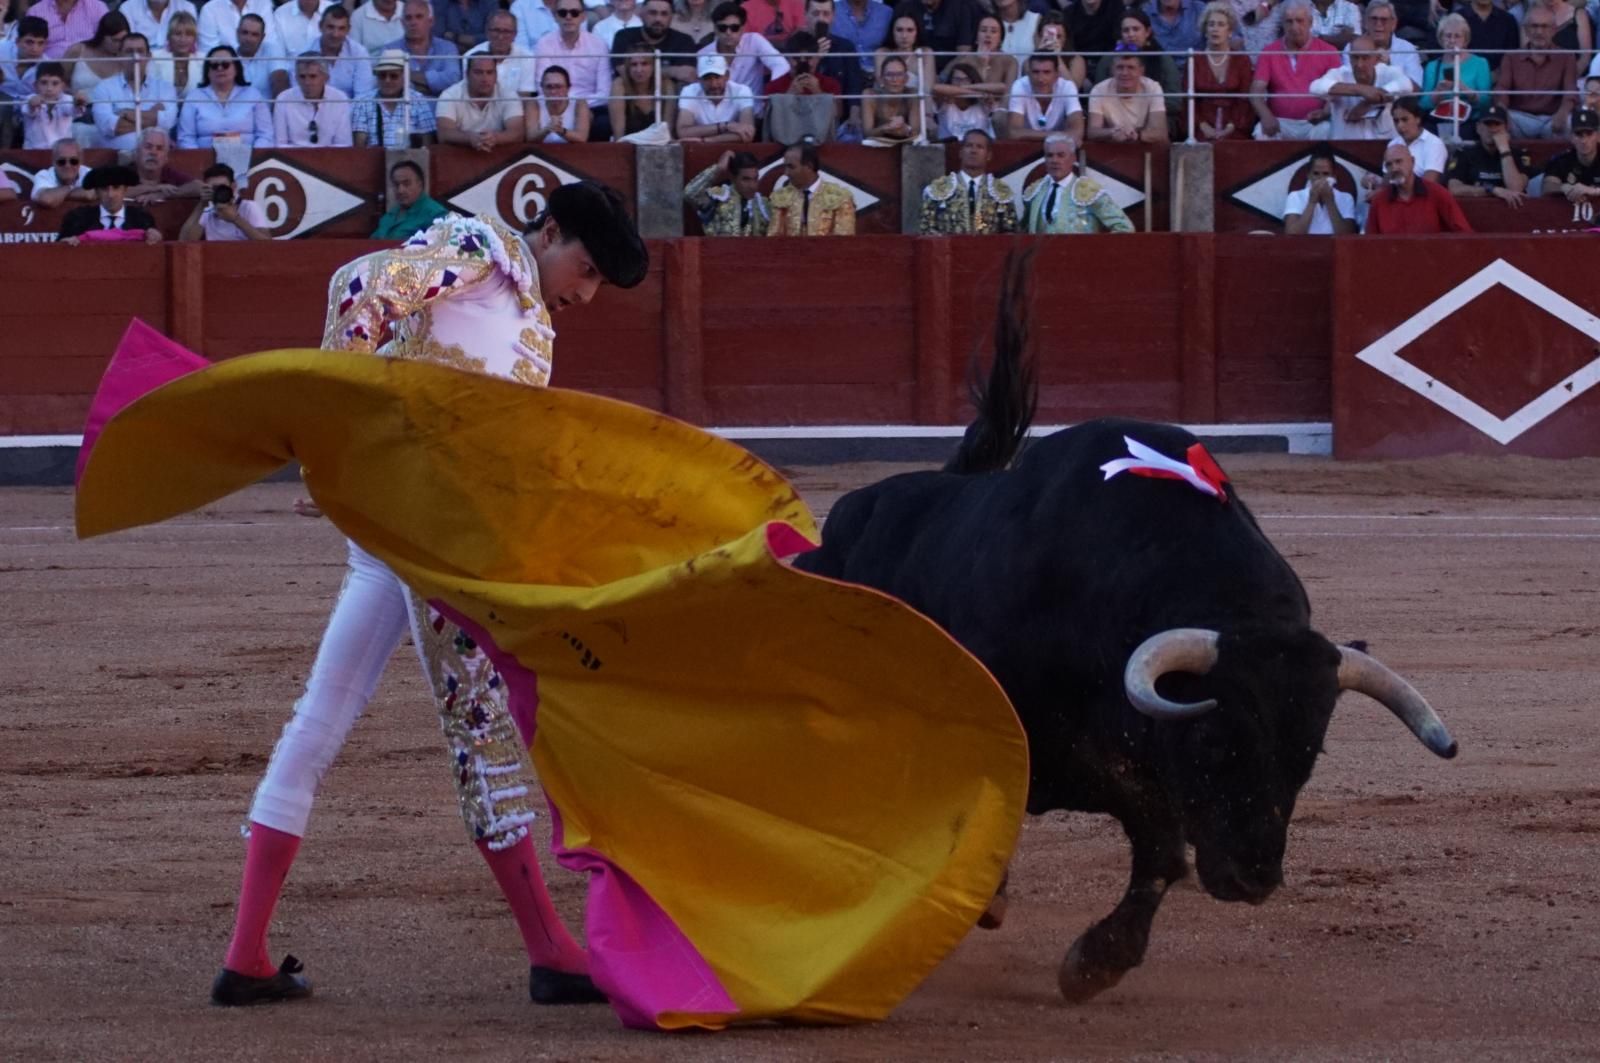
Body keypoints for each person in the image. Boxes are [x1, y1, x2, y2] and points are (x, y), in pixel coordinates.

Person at [210, 181, 648, 1008]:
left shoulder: (530, 322)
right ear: (547, 231)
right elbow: (360, 285)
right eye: (583, 268)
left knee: (323, 712)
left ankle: (248, 953)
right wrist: (333, 427)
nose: (583, 293)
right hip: (429, 532)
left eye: (596, 284)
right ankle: (551, 950)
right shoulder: (484, 256)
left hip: (398, 531)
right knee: (480, 726)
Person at [1250, 0, 1341, 139]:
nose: (1294, 27)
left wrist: (1325, 112)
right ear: (1283, 24)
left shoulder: (1328, 51)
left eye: (1300, 21)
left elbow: (1337, 92)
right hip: (1281, 122)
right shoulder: (1269, 52)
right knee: (1261, 132)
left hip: (1315, 122)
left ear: (1310, 23)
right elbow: (1256, 90)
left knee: (1327, 131)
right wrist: (1266, 116)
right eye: (1289, 21)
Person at [1021, 131, 1135, 232]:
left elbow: (1124, 227)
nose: (1054, 160)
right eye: (1049, 155)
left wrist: (1099, 251)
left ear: (1073, 158)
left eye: (1061, 155)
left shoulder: (1089, 191)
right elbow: (1023, 229)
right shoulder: (1035, 191)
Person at [1494, 3, 1577, 138]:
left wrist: (1563, 112)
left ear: (1554, 30)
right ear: (1526, 30)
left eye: (1545, 26)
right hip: (1519, 118)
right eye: (1534, 26)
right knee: (1497, 121)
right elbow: (1502, 89)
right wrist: (1502, 111)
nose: (1539, 32)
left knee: (1570, 122)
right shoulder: (1511, 57)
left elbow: (1571, 91)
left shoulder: (1567, 56)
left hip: (1553, 118)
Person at [698, 0, 789, 118]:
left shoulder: (754, 40)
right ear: (715, 29)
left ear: (742, 28)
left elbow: (781, 65)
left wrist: (770, 93)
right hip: (720, 117)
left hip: (754, 113)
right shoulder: (704, 54)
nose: (728, 32)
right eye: (722, 28)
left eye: (734, 28)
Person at [89, 32, 178, 151]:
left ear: (149, 56)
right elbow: (108, 127)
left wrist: (127, 113)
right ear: (119, 56)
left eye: (140, 51)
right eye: (129, 51)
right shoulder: (104, 88)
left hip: (156, 157)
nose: (135, 57)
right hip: (117, 160)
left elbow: (167, 122)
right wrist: (153, 117)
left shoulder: (165, 88)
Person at [918, 127, 1018, 233]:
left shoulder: (1001, 192)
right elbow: (926, 228)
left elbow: (1010, 232)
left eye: (980, 147)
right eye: (969, 146)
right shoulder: (938, 189)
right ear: (961, 153)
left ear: (988, 155)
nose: (973, 151)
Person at [1310, 34, 1411, 139]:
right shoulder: (1340, 74)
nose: (1359, 64)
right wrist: (1360, 89)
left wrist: (1369, 103)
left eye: (1365, 58)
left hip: (1384, 145)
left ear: (1376, 59)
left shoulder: (1387, 72)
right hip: (1346, 145)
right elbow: (1315, 87)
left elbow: (1406, 85)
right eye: (1355, 57)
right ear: (1349, 57)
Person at [1364, 139, 1473, 231]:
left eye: (1399, 162)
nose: (1394, 168)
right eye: (1389, 164)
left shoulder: (1437, 193)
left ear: (1412, 162)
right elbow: (1370, 242)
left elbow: (1463, 233)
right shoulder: (1379, 200)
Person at [175, 45, 274, 147]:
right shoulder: (194, 97)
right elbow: (185, 137)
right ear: (207, 71)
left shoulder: (253, 95)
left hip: (250, 159)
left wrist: (253, 158)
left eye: (225, 64)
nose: (220, 68)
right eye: (214, 65)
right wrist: (200, 160)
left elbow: (265, 134)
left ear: (236, 69)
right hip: (203, 160)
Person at [1444, 103, 1532, 206]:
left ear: (1506, 128)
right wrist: (1492, 190)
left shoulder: (1519, 154)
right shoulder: (1464, 154)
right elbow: (1454, 189)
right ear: (1478, 128)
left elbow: (1516, 188)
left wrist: (1504, 150)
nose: (1492, 129)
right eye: (1487, 124)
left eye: (1497, 124)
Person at [1420, 13, 1491, 134]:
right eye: (1448, 36)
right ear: (1441, 39)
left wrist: (1463, 88)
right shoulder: (1432, 66)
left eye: (1457, 36)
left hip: (1470, 122)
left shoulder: (1480, 63)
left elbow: (1486, 102)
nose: (1452, 40)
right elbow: (1423, 104)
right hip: (1439, 121)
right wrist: (1438, 92)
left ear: (1465, 40)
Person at [1194, 1, 1255, 139]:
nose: (1215, 29)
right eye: (1211, 24)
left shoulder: (1242, 60)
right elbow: (1188, 102)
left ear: (1230, 31)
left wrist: (1229, 128)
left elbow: (1245, 100)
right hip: (1201, 129)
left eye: (1221, 25)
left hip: (1236, 128)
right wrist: (1203, 126)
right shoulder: (1194, 61)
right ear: (1205, 30)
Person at [353, 48, 439, 147]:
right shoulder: (363, 102)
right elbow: (359, 146)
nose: (387, 80)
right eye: (382, 75)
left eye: (393, 76)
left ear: (404, 76)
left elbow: (427, 142)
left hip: (409, 159)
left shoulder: (418, 99)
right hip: (372, 159)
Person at [437, 54, 526, 149]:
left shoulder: (509, 95)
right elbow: (444, 134)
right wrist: (469, 138)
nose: (484, 78)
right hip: (459, 153)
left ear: (496, 75)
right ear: (467, 74)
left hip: (499, 153)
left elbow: (518, 133)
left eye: (490, 72)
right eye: (478, 72)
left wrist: (495, 138)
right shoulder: (449, 95)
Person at [57, 163, 163, 242]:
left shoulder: (142, 218)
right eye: (104, 188)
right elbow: (59, 250)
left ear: (125, 190)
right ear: (97, 192)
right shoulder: (77, 218)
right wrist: (66, 243)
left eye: (116, 188)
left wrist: (154, 237)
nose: (110, 194)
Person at [767, 140, 855, 234]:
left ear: (809, 166)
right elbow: (774, 239)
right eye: (785, 167)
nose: (786, 173)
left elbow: (843, 241)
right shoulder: (780, 197)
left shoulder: (840, 197)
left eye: (791, 167)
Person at [684, 147, 770, 234]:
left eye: (755, 179)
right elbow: (690, 193)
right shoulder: (718, 199)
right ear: (732, 178)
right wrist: (719, 168)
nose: (752, 186)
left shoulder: (763, 204)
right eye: (746, 179)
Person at [178, 162, 272, 241]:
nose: (219, 191)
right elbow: (184, 241)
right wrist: (201, 205)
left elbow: (267, 243)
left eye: (222, 187)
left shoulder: (248, 207)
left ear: (233, 187)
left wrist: (236, 219)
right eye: (215, 188)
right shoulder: (207, 211)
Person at [1087, 52, 1168, 143]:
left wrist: (1137, 135)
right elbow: (1092, 131)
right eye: (1120, 67)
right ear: (1112, 70)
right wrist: (1112, 132)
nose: (1125, 73)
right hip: (1112, 147)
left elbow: (1160, 133)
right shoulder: (1099, 90)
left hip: (1144, 147)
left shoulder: (1153, 88)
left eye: (1131, 68)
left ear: (1141, 71)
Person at [274, 56, 354, 146]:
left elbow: (343, 144)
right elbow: (280, 144)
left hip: (331, 158)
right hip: (289, 158)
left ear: (326, 78)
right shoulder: (283, 99)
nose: (307, 82)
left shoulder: (340, 99)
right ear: (296, 78)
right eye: (302, 77)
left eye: (313, 76)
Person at [676, 52, 755, 140]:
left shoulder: (742, 91)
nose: (713, 84)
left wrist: (706, 141)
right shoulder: (689, 91)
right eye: (707, 78)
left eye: (717, 77)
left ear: (727, 76)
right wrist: (725, 126)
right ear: (699, 79)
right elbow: (683, 132)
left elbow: (748, 133)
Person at [1281, 141, 1357, 232]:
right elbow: (1292, 233)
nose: (1321, 178)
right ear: (1309, 175)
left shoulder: (1346, 198)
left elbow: (1346, 235)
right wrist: (1312, 202)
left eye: (1326, 174)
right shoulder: (1296, 196)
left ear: (1334, 176)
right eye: (1316, 173)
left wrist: (1330, 202)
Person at [371, 158, 449, 240]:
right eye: (396, 184)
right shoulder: (391, 214)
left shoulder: (436, 214)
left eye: (406, 184)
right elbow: (371, 243)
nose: (400, 190)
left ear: (420, 185)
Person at [125, 126, 205, 203]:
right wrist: (155, 188)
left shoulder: (168, 173)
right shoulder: (126, 171)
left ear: (166, 157)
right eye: (148, 147)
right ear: (137, 152)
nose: (153, 153)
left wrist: (162, 194)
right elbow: (116, 191)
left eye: (159, 148)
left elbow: (201, 188)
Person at [1540, 107, 1600, 202]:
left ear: (1598, 136)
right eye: (1578, 134)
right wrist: (1564, 187)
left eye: (1589, 134)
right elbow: (1547, 187)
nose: (1584, 141)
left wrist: (1593, 191)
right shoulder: (1562, 160)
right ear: (1571, 137)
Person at [863, 52, 923, 141]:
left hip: (905, 143)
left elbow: (916, 133)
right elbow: (866, 133)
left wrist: (905, 128)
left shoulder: (912, 94)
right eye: (889, 75)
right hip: (877, 145)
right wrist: (885, 128)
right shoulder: (870, 95)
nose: (895, 79)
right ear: (881, 79)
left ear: (906, 78)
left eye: (899, 74)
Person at [525, 63, 592, 140]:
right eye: (549, 87)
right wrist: (547, 130)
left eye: (558, 87)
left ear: (568, 88)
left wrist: (561, 130)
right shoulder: (534, 103)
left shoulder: (579, 103)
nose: (553, 91)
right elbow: (530, 137)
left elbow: (582, 138)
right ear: (542, 87)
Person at [932, 59, 997, 139]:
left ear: (972, 81)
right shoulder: (945, 102)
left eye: (966, 80)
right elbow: (936, 88)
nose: (960, 83)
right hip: (950, 147)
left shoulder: (982, 102)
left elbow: (1002, 87)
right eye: (957, 79)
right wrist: (974, 93)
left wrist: (967, 88)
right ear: (950, 81)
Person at [21, 60, 77, 150]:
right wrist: (32, 105)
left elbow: (74, 110)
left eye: (55, 83)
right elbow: (29, 110)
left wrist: (79, 102)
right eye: (44, 83)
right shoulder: (29, 99)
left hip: (62, 153)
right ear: (35, 85)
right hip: (34, 152)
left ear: (63, 86)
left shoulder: (67, 99)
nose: (49, 88)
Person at [1388, 96, 1446, 181]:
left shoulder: (1434, 144)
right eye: (1396, 121)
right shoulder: (1393, 144)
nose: (1400, 125)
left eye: (1405, 119)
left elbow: (1429, 183)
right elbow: (1387, 179)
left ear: (1417, 119)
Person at [148, 11, 203, 97]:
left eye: (188, 34)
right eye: (177, 34)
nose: (182, 39)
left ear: (195, 38)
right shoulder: (156, 59)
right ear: (169, 36)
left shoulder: (203, 60)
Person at [30, 136, 96, 206]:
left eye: (73, 161)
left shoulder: (89, 173)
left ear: (81, 162)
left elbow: (90, 193)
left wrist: (59, 196)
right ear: (53, 162)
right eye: (62, 161)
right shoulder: (44, 175)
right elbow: (46, 199)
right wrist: (71, 188)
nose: (67, 166)